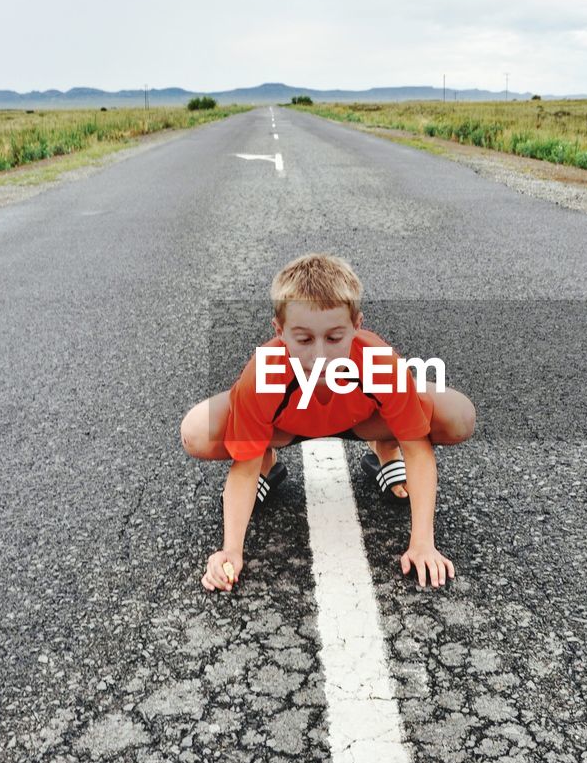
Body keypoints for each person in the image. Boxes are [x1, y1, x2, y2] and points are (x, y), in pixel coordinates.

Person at [180, 253, 476, 594]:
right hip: (286, 427)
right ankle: (268, 458)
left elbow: (419, 449)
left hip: (363, 421)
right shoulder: (264, 373)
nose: (319, 356)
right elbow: (241, 467)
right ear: (279, 331)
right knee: (196, 432)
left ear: (357, 326)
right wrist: (231, 550)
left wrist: (423, 542)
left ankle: (384, 448)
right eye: (304, 340)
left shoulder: (378, 361)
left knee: (459, 416)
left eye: (335, 338)